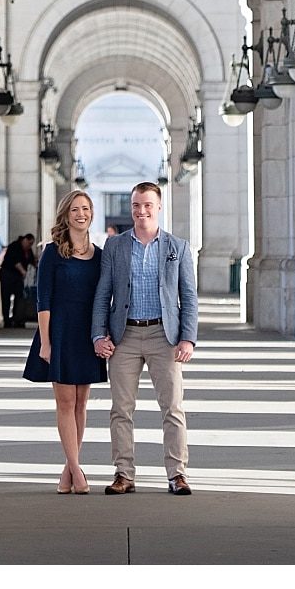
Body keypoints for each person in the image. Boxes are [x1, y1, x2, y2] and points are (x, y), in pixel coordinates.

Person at [91, 181, 199, 495]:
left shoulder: (176, 247)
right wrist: (99, 334)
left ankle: (177, 474)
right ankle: (124, 474)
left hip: (163, 337)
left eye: (148, 205)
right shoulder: (116, 246)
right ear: (131, 207)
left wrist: (188, 338)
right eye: (137, 205)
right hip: (124, 336)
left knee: (173, 408)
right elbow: (103, 294)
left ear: (159, 207)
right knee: (121, 409)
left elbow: (188, 297)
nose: (141, 211)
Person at [23, 193, 107, 492]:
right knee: (65, 401)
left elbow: (103, 298)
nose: (81, 214)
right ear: (66, 215)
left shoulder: (99, 255)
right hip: (58, 332)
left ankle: (68, 470)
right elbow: (42, 300)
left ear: (92, 214)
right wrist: (45, 342)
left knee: (82, 402)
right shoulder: (52, 253)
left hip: (86, 334)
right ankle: (77, 471)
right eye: (75, 209)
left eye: (85, 209)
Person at [0, 232, 34, 326]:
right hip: (7, 274)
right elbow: (16, 262)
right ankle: (7, 321)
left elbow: (32, 261)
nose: (30, 246)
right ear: (25, 240)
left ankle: (17, 318)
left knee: (19, 297)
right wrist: (23, 272)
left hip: (18, 277)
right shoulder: (14, 246)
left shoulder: (28, 250)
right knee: (6, 298)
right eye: (29, 243)